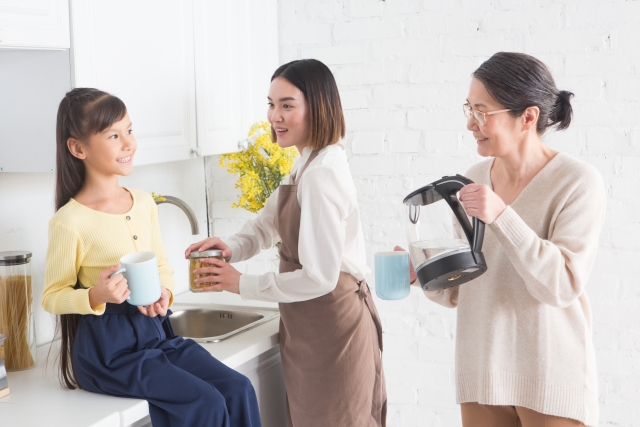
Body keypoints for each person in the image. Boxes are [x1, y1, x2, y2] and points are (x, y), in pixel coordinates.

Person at [401, 52, 605, 427]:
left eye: (482, 111)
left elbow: (561, 286)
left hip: (549, 377)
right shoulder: (474, 177)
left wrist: (501, 215)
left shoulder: (577, 182)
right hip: (482, 374)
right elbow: (464, 288)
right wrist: (423, 275)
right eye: (468, 108)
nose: (470, 123)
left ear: (527, 117)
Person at [42, 88, 262, 427]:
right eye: (114, 135)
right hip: (108, 354)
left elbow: (161, 265)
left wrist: (166, 293)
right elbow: (52, 297)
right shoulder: (69, 222)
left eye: (129, 130)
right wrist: (96, 295)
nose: (128, 143)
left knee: (237, 387)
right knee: (203, 403)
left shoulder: (143, 202)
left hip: (157, 334)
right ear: (78, 148)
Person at [185, 59, 387, 427]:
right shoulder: (308, 161)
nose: (274, 116)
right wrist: (232, 247)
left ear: (318, 107)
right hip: (311, 325)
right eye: (271, 103)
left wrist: (241, 283)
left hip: (333, 326)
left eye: (287, 105)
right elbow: (268, 222)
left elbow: (321, 277)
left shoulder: (322, 174)